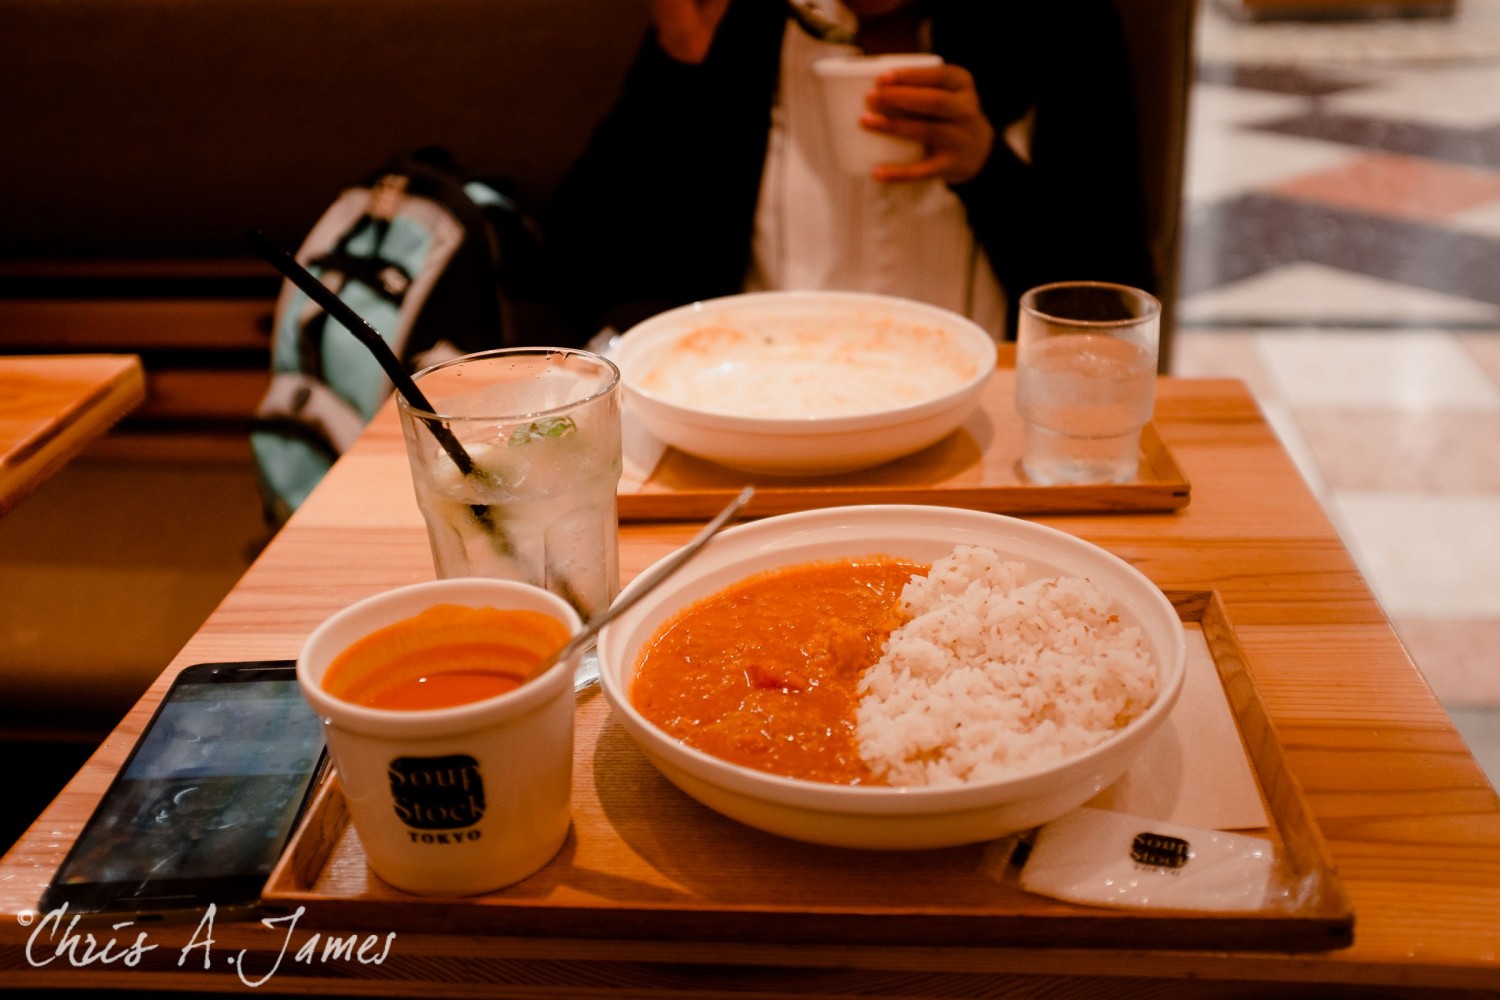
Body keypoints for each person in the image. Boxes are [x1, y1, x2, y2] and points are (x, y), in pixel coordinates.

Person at [545, 0, 1153, 342]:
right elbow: (578, 263)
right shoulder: (742, 20)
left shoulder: (1056, 22)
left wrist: (986, 170)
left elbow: (1120, 306)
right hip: (759, 410)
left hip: (987, 417)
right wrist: (680, 72)